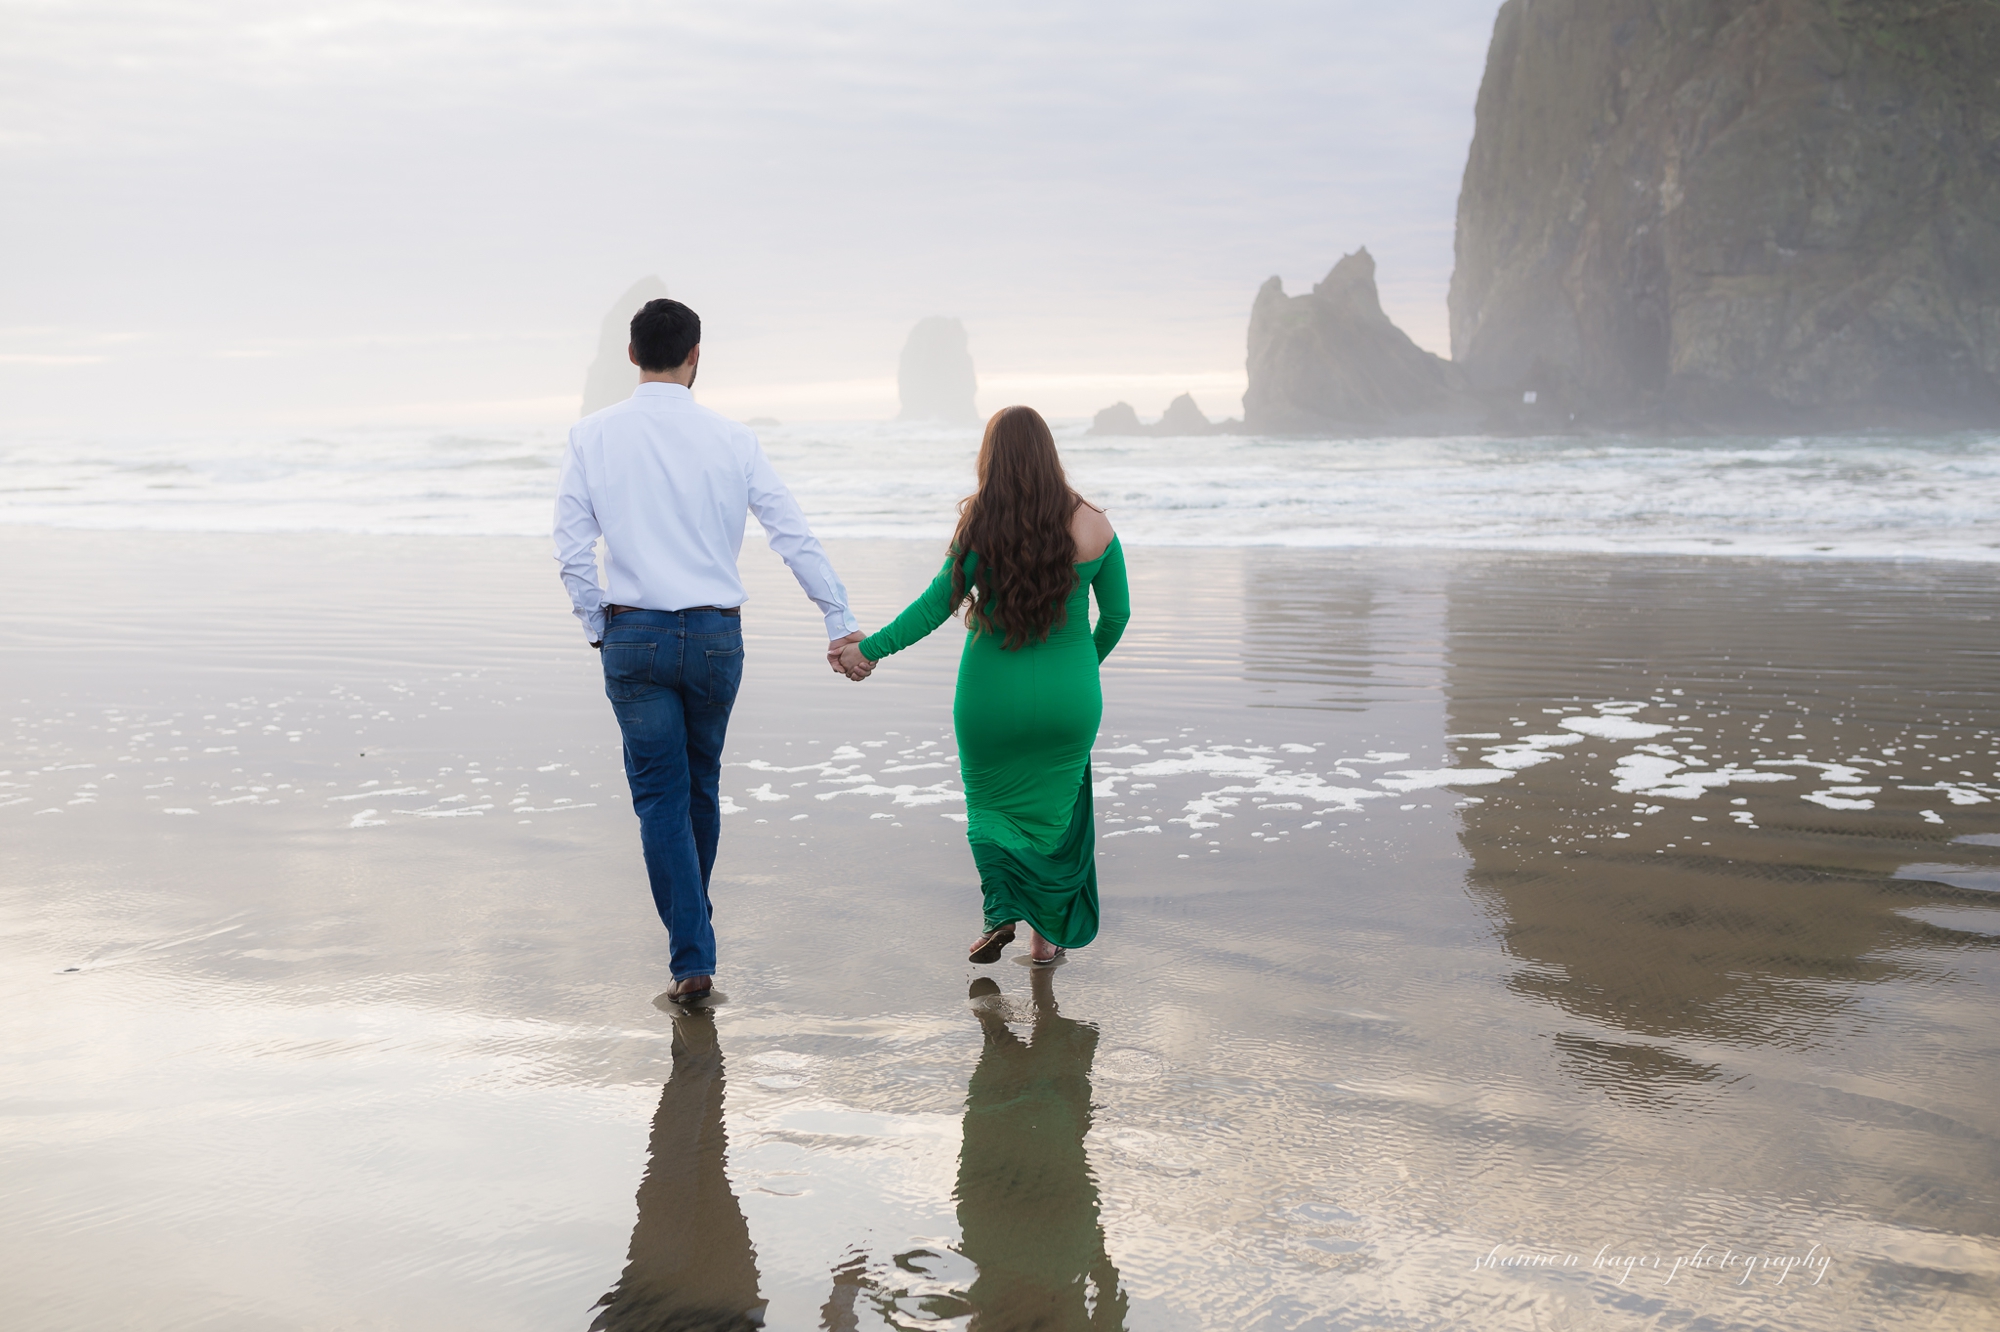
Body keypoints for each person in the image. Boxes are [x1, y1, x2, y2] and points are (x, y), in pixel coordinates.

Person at [555, 297, 864, 1006]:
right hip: (717, 639)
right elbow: (792, 532)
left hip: (633, 633)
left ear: (631, 356)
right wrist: (837, 619)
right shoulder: (733, 440)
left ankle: (692, 956)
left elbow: (572, 551)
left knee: (661, 796)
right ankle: (694, 942)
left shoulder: (591, 436)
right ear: (696, 358)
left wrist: (596, 626)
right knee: (699, 787)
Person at [838, 406, 1129, 964]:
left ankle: (1001, 912)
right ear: (1049, 454)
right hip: (1070, 697)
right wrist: (1081, 669)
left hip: (990, 696)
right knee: (1057, 815)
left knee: (991, 810)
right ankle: (1047, 947)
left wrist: (866, 650)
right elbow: (1116, 615)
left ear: (990, 459)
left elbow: (933, 606)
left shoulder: (982, 524)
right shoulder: (1095, 524)